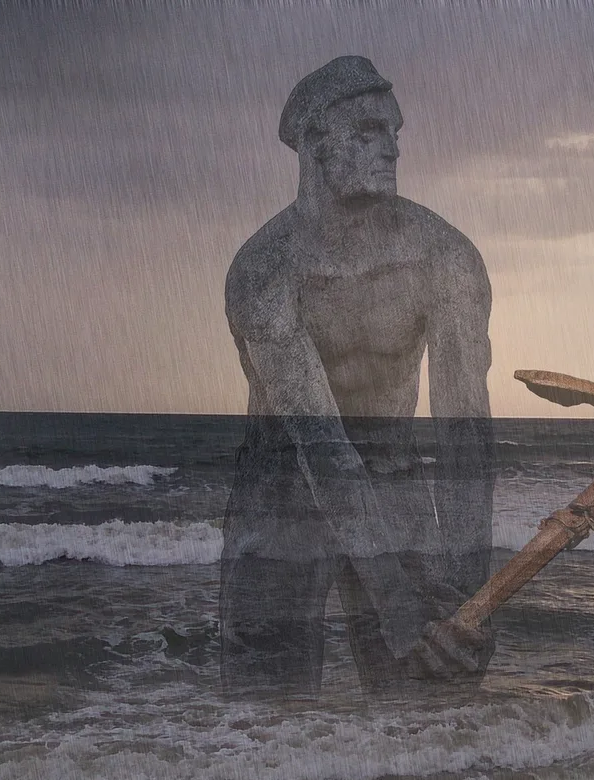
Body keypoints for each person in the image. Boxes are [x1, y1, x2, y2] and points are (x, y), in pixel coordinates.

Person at [220, 56, 496, 697]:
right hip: (280, 489)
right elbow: (319, 443)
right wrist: (398, 602)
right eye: (369, 132)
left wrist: (469, 591)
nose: (392, 148)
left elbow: (465, 432)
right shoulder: (265, 269)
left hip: (393, 477)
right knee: (267, 719)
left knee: (428, 705)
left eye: (395, 132)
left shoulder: (444, 257)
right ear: (315, 142)